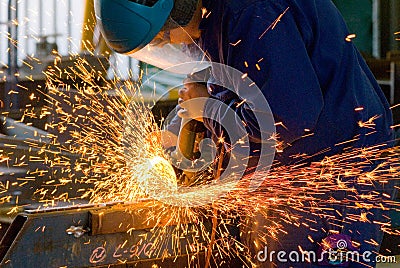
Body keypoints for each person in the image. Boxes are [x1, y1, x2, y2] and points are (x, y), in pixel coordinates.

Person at [95, 0, 396, 267]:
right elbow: (228, 86)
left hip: (335, 177)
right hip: (301, 166)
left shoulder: (253, 12)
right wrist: (175, 132)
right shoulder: (217, 17)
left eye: (162, 37)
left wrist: (209, 109)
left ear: (174, 8)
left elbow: (288, 118)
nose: (164, 45)